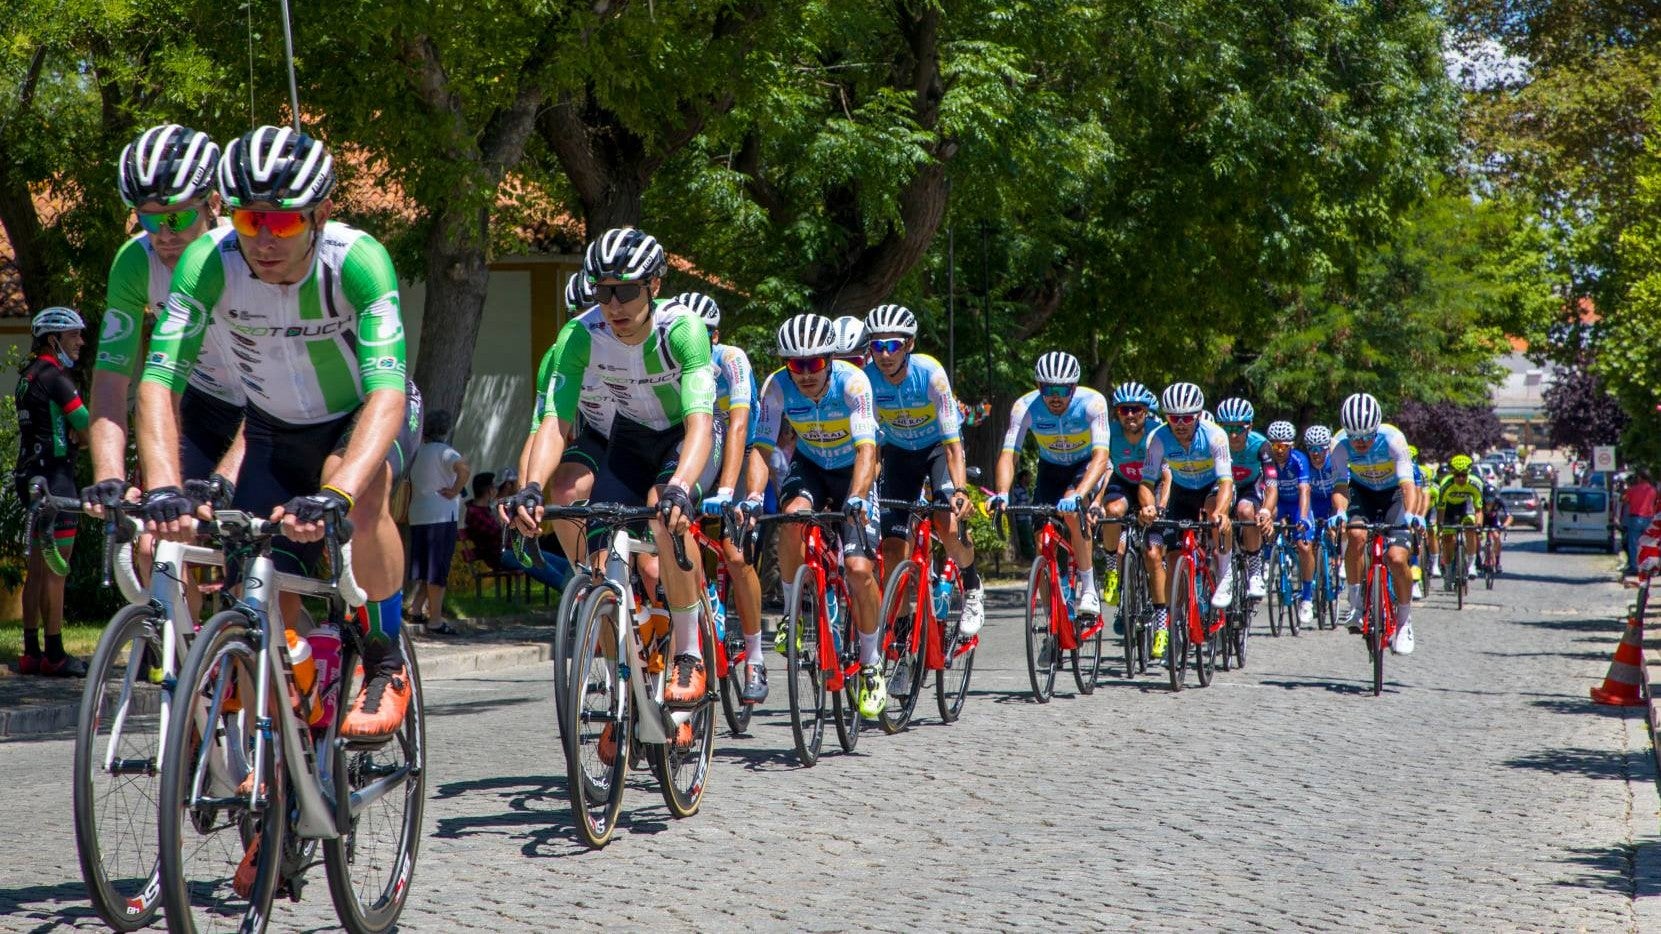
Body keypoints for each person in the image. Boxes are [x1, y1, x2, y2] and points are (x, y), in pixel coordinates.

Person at [137, 125, 422, 741]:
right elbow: (159, 381)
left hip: (361, 417)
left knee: (361, 491)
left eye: (284, 221)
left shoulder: (357, 261)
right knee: (259, 596)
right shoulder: (209, 262)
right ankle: (290, 732)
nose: (263, 239)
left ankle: (385, 659)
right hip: (273, 428)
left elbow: (387, 393)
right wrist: (162, 488)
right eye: (247, 218)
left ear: (321, 214)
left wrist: (338, 492)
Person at [506, 227, 714, 726]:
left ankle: (689, 654)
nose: (613, 304)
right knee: (593, 529)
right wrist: (530, 487)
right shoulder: (581, 335)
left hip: (681, 441)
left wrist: (681, 487)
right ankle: (625, 663)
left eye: (626, 290)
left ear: (654, 285)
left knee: (665, 515)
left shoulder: (681, 330)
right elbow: (554, 423)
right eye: (603, 291)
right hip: (629, 440)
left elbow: (700, 423)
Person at [86, 125, 246, 518]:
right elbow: (110, 380)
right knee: (158, 533)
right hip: (205, 401)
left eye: (178, 218)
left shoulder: (248, 257)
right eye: (150, 220)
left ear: (214, 204)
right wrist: (109, 476)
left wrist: (226, 478)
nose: (164, 235)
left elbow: (280, 388)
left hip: (278, 407)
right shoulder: (135, 263)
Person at [754, 313, 886, 717]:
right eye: (796, 365)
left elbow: (867, 449)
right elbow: (761, 446)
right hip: (811, 466)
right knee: (792, 518)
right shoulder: (776, 386)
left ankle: (871, 662)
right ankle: (792, 613)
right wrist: (752, 497)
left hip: (852, 471)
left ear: (829, 359)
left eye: (813, 363)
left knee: (858, 569)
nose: (806, 373)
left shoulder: (853, 382)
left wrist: (858, 497)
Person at [862, 303, 984, 643]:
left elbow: (952, 443)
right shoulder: (867, 379)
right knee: (891, 549)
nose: (885, 354)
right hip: (899, 453)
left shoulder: (930, 374)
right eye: (877, 346)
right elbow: (870, 445)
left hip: (937, 449)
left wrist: (960, 490)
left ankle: (972, 584)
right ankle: (903, 636)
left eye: (893, 345)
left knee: (947, 525)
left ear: (909, 345)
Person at [683, 291, 772, 704]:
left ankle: (755, 657)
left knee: (735, 556)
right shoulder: (673, 360)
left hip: (740, 453)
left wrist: (725, 491)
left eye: (701, 334)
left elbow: (737, 427)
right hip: (701, 455)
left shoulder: (731, 359)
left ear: (715, 336)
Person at [988, 352, 1111, 618]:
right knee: (1041, 540)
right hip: (1050, 469)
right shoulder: (1024, 407)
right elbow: (1009, 455)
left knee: (1072, 513)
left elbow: (1101, 457)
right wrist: (1002, 493)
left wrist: (1080, 494)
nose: (1055, 397)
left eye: (1063, 390)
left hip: (1083, 466)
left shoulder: (1092, 403)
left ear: (1074, 387)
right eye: (1047, 389)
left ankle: (1089, 588)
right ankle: (1052, 619)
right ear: (1038, 386)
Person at [12, 308, 92, 676]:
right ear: (53, 339)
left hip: (29, 475)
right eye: (74, 335)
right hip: (56, 480)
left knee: (37, 568)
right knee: (57, 569)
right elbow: (87, 427)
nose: (81, 342)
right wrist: (82, 437)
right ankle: (56, 654)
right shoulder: (57, 378)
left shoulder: (27, 376)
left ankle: (31, 652)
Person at [1136, 382, 1234, 659]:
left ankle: (1224, 571)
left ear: (1198, 415)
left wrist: (1222, 512)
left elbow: (1226, 481)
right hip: (1181, 492)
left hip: (1212, 488)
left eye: (1187, 418)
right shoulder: (1158, 438)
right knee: (1174, 557)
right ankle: (1172, 618)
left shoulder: (1215, 436)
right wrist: (1148, 506)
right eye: (1173, 418)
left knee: (1215, 513)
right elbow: (1147, 481)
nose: (1180, 424)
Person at [520, 273, 609, 570]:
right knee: (565, 489)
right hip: (599, 435)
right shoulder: (558, 356)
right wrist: (526, 494)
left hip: (652, 435)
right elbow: (540, 430)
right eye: (576, 316)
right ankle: (588, 576)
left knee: (651, 569)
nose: (587, 324)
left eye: (594, 312)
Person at [1328, 392, 1420, 654]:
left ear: (1376, 429)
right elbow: (1340, 485)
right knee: (1355, 535)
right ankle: (1356, 604)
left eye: (1366, 437)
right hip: (1362, 493)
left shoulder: (1393, 439)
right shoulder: (1339, 444)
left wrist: (1410, 515)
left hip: (1393, 495)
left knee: (1397, 558)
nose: (1360, 442)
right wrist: (1340, 512)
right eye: (1354, 437)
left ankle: (1404, 622)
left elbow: (1408, 484)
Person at [1093, 381, 1162, 614]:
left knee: (1154, 550)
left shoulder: (1158, 432)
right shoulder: (1109, 432)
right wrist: (1096, 501)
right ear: (1117, 412)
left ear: (1145, 411)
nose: (1130, 414)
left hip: (1152, 486)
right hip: (1122, 482)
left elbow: (1169, 473)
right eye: (1124, 409)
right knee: (1113, 512)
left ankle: (1159, 602)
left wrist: (1161, 504)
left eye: (1136, 409)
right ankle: (1112, 567)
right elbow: (1103, 466)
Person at [405, 410, 469, 635]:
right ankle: (435, 619)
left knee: (426, 567)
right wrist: (455, 490)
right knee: (438, 569)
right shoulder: (446, 452)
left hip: (418, 514)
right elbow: (464, 470)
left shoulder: (416, 453)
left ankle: (415, 608)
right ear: (446, 430)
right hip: (441, 515)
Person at [1215, 397, 1277, 600]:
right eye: (1227, 428)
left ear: (1249, 426)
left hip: (1249, 487)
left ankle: (1255, 570)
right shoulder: (1214, 442)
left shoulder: (1261, 445)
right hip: (1223, 486)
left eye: (1239, 429)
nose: (1232, 435)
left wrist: (1266, 511)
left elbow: (1271, 484)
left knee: (1245, 510)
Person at [463, 473, 569, 590]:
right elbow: (498, 534)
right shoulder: (475, 513)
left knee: (556, 561)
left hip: (513, 549)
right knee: (540, 565)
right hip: (500, 555)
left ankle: (575, 583)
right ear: (489, 490)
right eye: (494, 486)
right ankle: (568, 590)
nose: (496, 490)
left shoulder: (486, 510)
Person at [1265, 420, 1315, 626]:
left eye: (1283, 446)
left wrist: (1303, 517)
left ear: (1290, 445)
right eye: (1274, 445)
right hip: (1278, 502)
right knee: (1266, 520)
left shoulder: (1299, 459)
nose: (1278, 450)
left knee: (1304, 546)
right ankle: (1267, 558)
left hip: (1296, 504)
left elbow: (1304, 490)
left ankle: (1307, 598)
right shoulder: (1267, 460)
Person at [1435, 455, 1484, 582]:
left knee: (1470, 529)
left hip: (1465, 506)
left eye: (1464, 475)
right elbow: (1441, 509)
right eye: (1457, 475)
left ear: (1468, 474)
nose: (1461, 478)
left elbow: (1478, 510)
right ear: (1452, 474)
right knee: (1447, 539)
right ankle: (1448, 569)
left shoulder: (1475, 483)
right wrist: (1440, 526)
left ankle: (1471, 565)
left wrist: (1479, 525)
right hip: (1448, 509)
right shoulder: (1445, 484)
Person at [1623, 468, 1655, 577]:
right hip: (1649, 518)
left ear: (1640, 477)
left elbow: (1625, 500)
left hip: (1635, 518)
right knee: (1648, 544)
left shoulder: (1633, 489)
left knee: (1633, 543)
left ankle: (1634, 566)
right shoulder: (1652, 490)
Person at [1479, 480, 1512, 574]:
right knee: (1476, 537)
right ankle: (1477, 558)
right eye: (1487, 499)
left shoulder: (1499, 500)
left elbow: (1509, 516)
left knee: (1496, 537)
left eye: (1491, 499)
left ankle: (1497, 562)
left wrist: (1504, 525)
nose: (1489, 502)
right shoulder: (1480, 501)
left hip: (1493, 520)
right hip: (1482, 519)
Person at [1011, 467, 1036, 561]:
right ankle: (1031, 559)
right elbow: (1013, 503)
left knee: (1031, 539)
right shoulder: (1017, 490)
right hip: (1021, 519)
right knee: (1027, 541)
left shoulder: (1025, 490)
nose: (1030, 479)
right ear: (1024, 477)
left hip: (1027, 518)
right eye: (1029, 477)